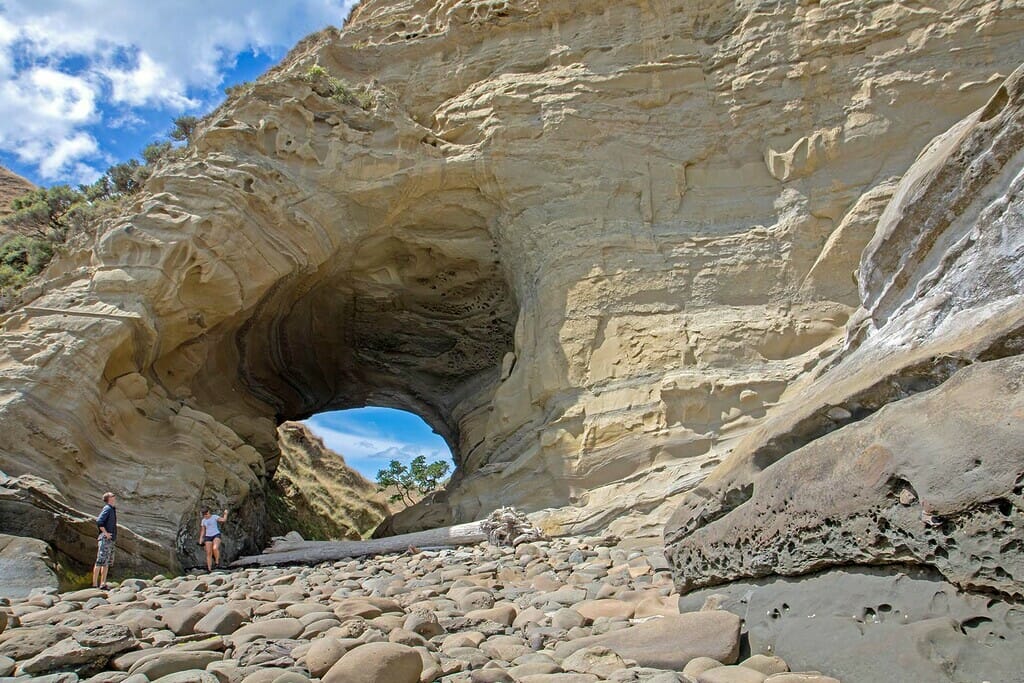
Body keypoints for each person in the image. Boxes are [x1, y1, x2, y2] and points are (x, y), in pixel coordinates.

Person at [93, 492, 117, 589]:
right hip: (105, 538)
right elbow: (99, 521)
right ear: (109, 499)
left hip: (110, 539)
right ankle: (95, 584)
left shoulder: (111, 509)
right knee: (100, 560)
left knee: (106, 562)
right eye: (112, 496)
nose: (114, 497)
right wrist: (106, 533)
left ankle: (103, 583)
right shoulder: (107, 508)